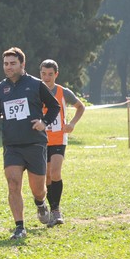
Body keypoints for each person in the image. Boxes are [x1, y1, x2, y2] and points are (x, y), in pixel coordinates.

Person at [0, 47, 60, 240]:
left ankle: (41, 203)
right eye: (6, 64)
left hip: (34, 144)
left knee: (38, 189)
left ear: (22, 64)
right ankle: (19, 226)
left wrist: (44, 123)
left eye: (12, 63)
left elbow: (54, 106)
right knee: (13, 183)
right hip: (12, 145)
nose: (8, 67)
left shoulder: (35, 84)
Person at [39, 59, 85, 227]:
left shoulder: (63, 92)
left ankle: (56, 210)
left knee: (55, 172)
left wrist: (71, 123)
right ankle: (49, 209)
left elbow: (81, 107)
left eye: (50, 74)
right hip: (41, 140)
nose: (47, 77)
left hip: (59, 139)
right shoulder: (36, 91)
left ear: (56, 74)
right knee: (46, 176)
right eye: (43, 74)